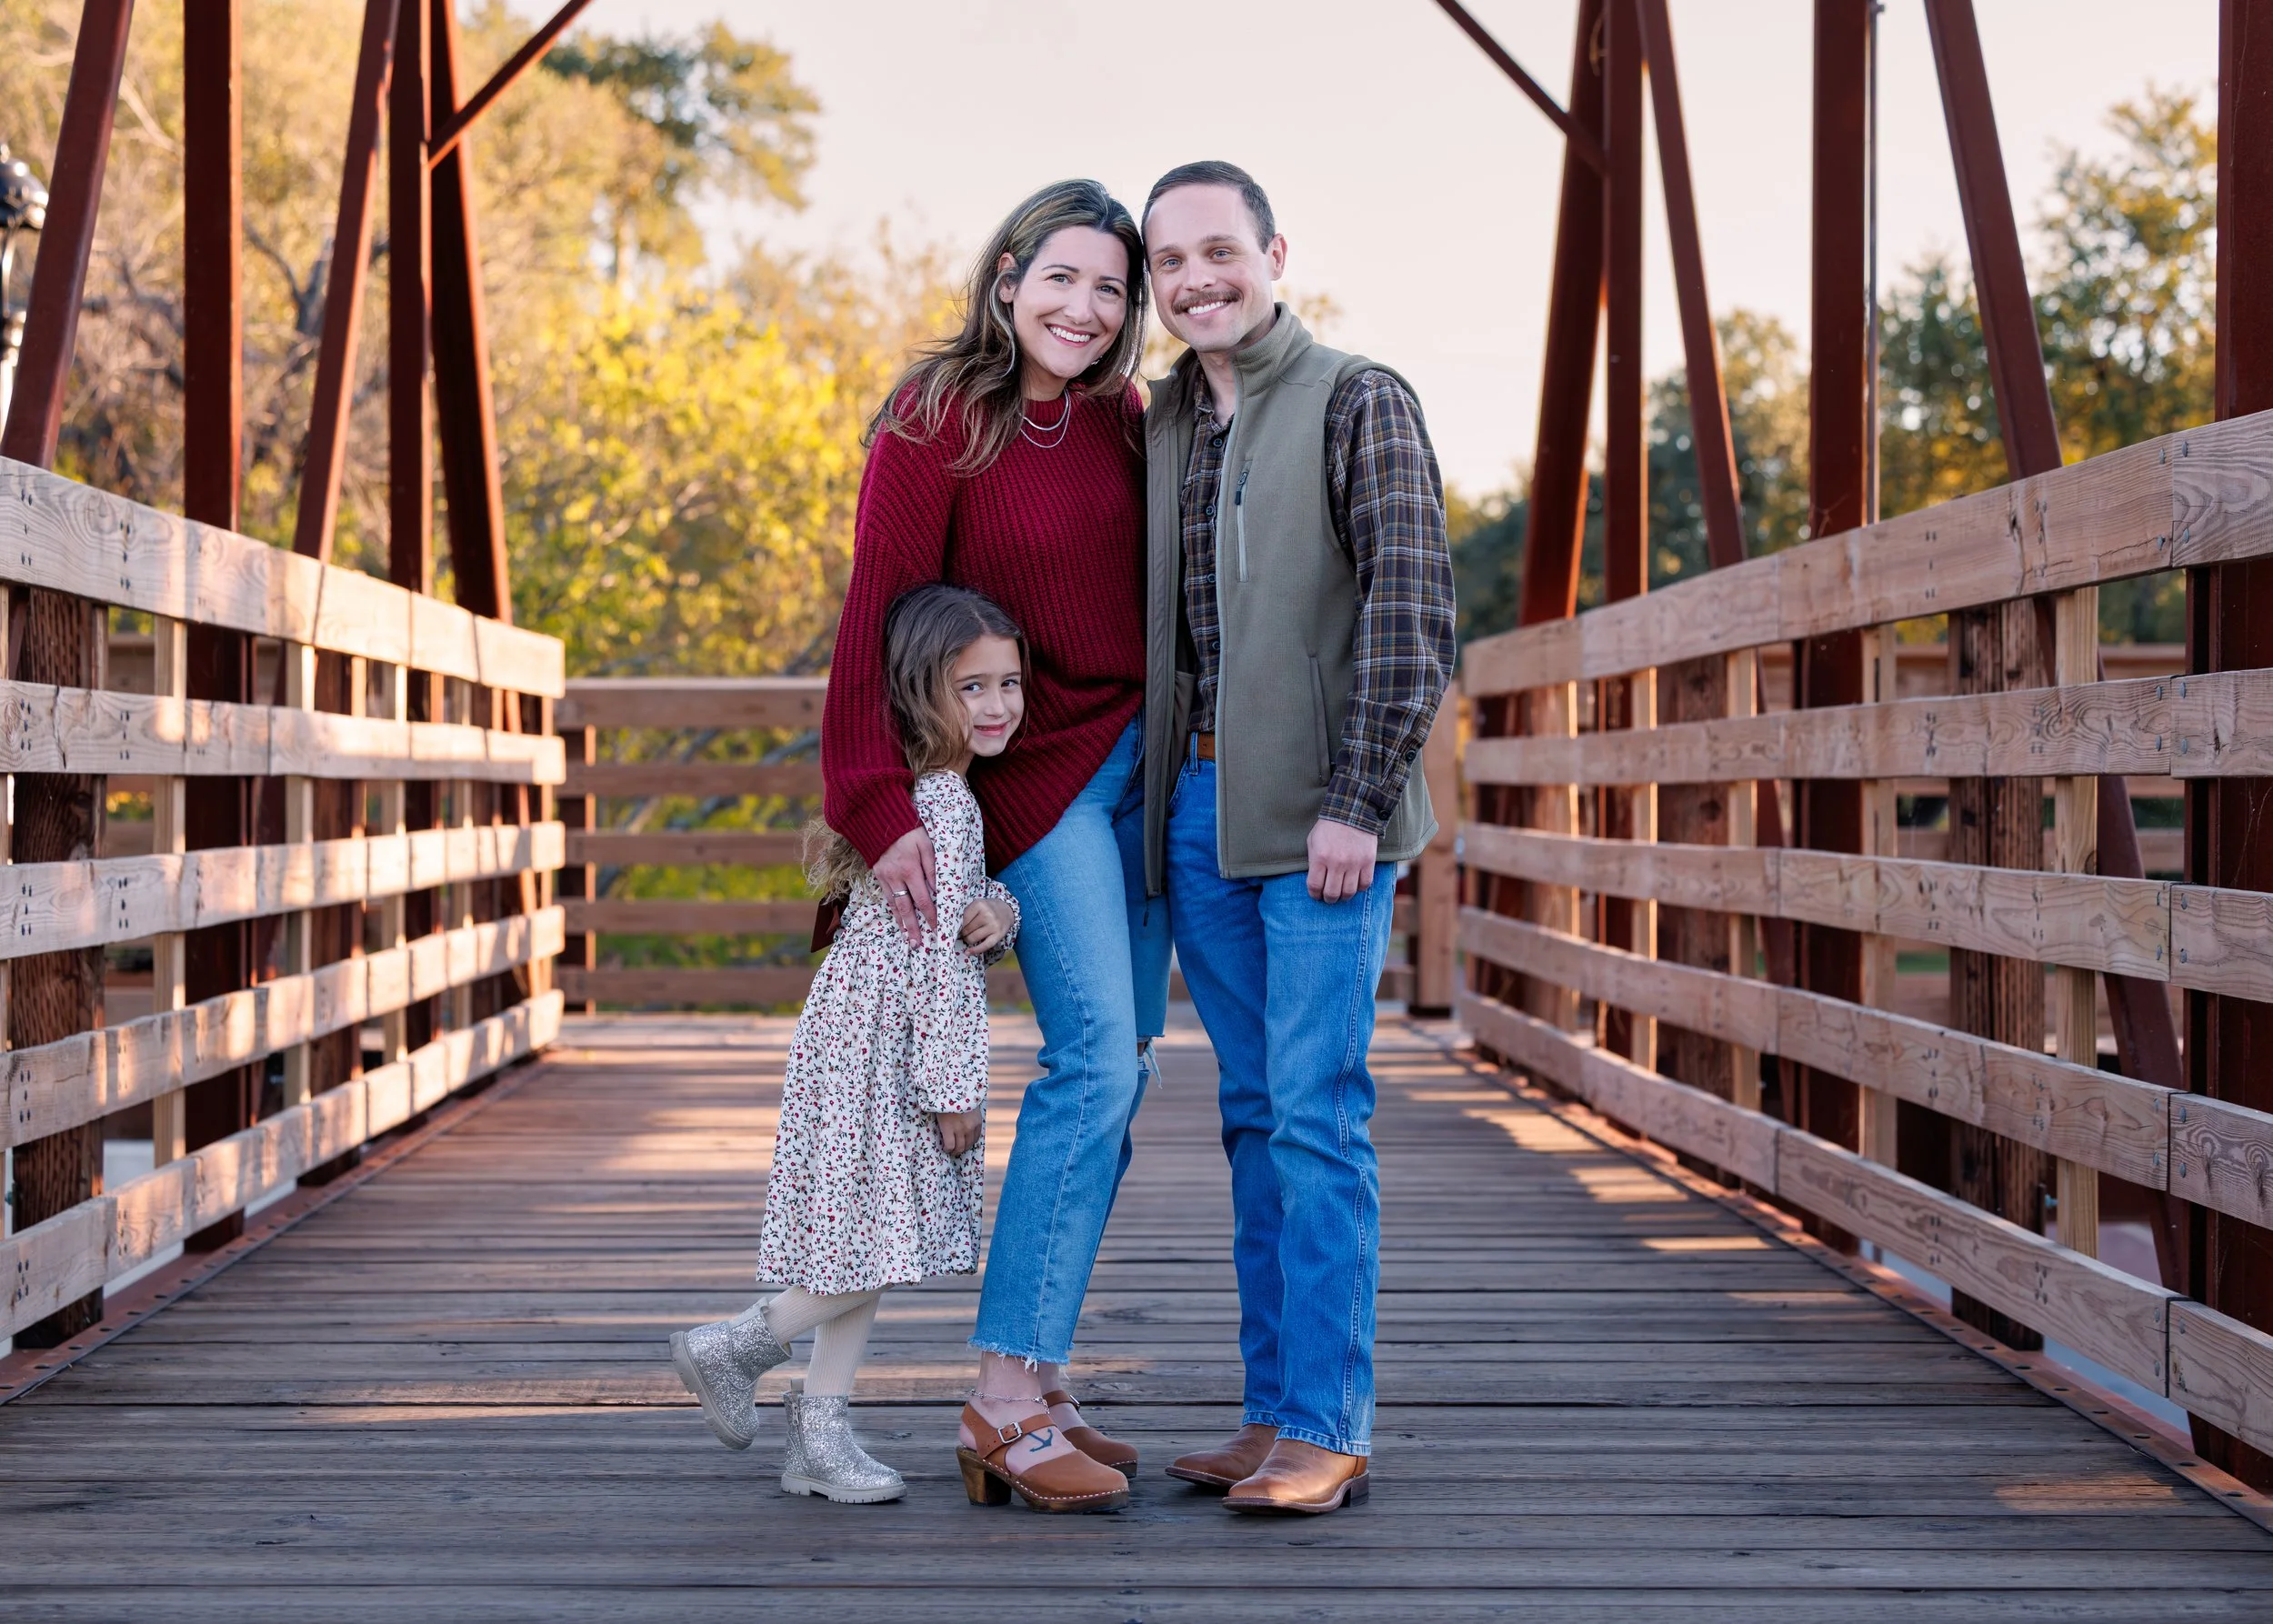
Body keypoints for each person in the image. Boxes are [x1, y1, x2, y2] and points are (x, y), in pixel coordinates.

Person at [821, 179, 1166, 1512]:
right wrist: (873, 795)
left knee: (1123, 1067)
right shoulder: (936, 419)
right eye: (1063, 278)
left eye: (1111, 289)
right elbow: (880, 614)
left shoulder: (1131, 422)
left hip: (1146, 759)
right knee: (1087, 1062)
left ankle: (1045, 1368)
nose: (1086, 308)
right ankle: (1001, 1393)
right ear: (1009, 273)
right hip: (1037, 781)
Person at [1139, 162, 1456, 1515]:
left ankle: (1330, 1420)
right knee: (1254, 1114)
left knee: (1319, 1119)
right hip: (1203, 813)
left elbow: (1412, 605)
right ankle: (1270, 1410)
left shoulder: (1359, 397)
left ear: (1274, 251)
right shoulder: (1162, 425)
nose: (1198, 279)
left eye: (1220, 250)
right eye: (1170, 263)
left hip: (1326, 816)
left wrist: (1358, 797)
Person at [669, 586, 1026, 1505]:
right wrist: (953, 1087)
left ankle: (818, 1438)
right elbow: (939, 967)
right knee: (876, 1245)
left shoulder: (916, 792)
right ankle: (734, 1345)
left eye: (1008, 685)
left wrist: (1001, 911)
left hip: (853, 1033)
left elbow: (950, 920)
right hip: (894, 1050)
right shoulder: (943, 804)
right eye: (972, 687)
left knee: (860, 1240)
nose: (996, 707)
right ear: (919, 693)